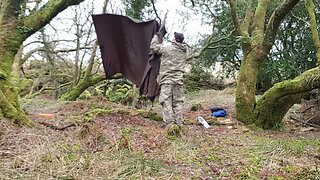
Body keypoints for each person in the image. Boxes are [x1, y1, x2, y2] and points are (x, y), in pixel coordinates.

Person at [150, 32, 190, 127]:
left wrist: (156, 36)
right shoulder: (184, 51)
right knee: (178, 101)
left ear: (175, 39)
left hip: (167, 79)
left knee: (166, 100)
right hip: (178, 80)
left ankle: (168, 122)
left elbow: (153, 47)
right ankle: (179, 121)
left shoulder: (167, 48)